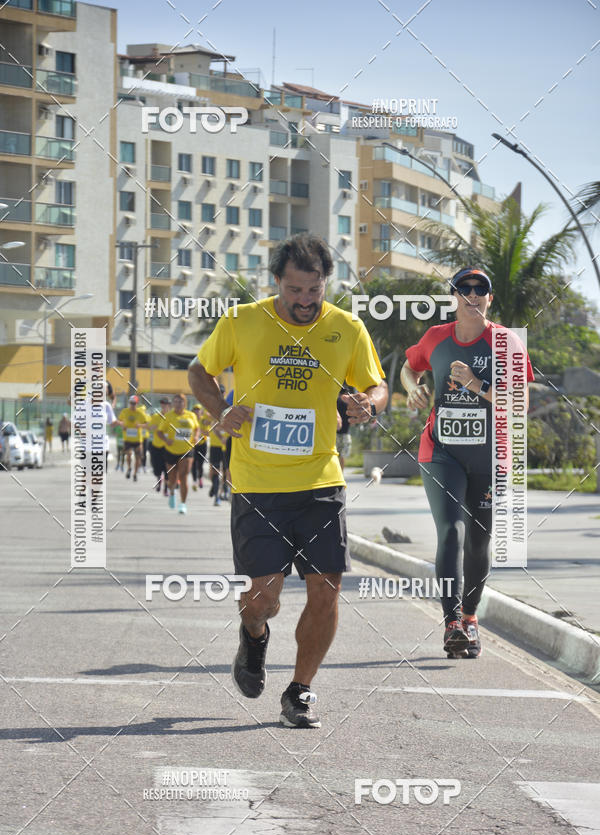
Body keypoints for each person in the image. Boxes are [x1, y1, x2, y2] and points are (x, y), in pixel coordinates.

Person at [189, 233, 387, 728]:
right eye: (295, 290)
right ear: (277, 282)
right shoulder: (243, 321)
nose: (304, 300)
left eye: (313, 289)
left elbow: (376, 385)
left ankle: (300, 691)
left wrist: (369, 404)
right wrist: (221, 412)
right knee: (264, 599)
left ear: (325, 283)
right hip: (257, 485)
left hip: (321, 481)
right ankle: (253, 635)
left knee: (326, 591)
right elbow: (199, 371)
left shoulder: (347, 328)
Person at [401, 267, 534, 659]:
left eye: (481, 289)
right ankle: (452, 623)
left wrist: (476, 384)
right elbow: (410, 367)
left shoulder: (506, 342)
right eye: (464, 289)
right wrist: (414, 389)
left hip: (492, 457)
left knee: (479, 541)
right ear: (454, 297)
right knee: (452, 532)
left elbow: (519, 407)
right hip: (442, 453)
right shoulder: (436, 337)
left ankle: (471, 618)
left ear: (489, 299)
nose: (472, 295)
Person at [157, 393, 199, 514]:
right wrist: (166, 440)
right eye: (175, 401)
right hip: (171, 450)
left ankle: (183, 504)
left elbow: (196, 428)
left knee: (183, 476)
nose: (178, 404)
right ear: (173, 404)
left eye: (180, 401)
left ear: (184, 403)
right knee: (172, 478)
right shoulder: (168, 416)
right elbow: (159, 432)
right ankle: (172, 493)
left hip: (187, 450)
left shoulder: (191, 415)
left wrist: (196, 436)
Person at [117, 396, 149, 481]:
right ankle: (129, 468)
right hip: (127, 439)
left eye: (134, 403)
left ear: (137, 404)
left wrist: (140, 426)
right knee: (129, 454)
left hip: (138, 439)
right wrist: (122, 424)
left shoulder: (140, 413)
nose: (132, 405)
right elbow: (119, 421)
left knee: (138, 457)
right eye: (131, 403)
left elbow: (147, 424)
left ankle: (135, 473)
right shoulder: (125, 411)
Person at [148, 397, 171, 494]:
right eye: (162, 403)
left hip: (168, 447)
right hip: (156, 446)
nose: (163, 405)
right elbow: (150, 427)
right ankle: (159, 481)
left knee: (167, 468)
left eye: (165, 404)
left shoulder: (171, 417)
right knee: (157, 467)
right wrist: (155, 427)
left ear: (169, 405)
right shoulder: (156, 417)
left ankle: (166, 487)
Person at [336, 387, 353, 471]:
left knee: (334, 455)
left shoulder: (335, 402)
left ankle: (334, 474)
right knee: (343, 456)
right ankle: (341, 474)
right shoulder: (349, 404)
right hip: (346, 433)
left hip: (335, 433)